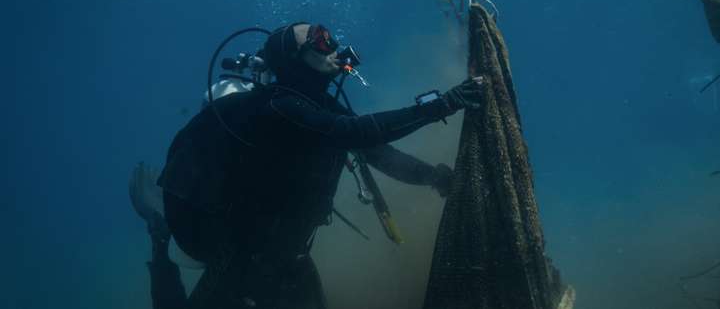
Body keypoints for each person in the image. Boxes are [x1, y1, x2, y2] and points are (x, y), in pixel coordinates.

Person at [130, 22, 483, 309]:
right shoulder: (279, 107)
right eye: (319, 38)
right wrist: (442, 105)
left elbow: (379, 154)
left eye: (328, 37)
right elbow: (354, 133)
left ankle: (161, 241)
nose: (332, 45)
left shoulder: (323, 107)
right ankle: (160, 240)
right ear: (293, 56)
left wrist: (434, 178)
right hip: (241, 257)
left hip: (292, 255)